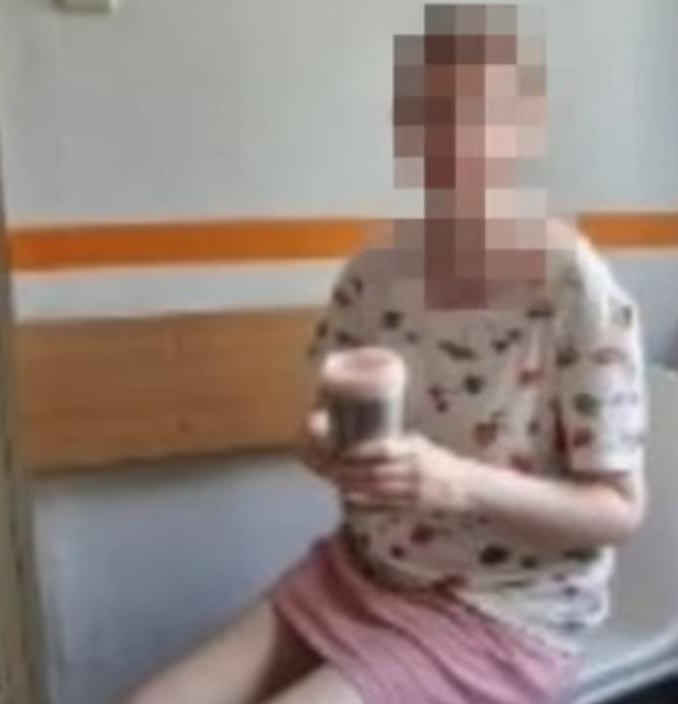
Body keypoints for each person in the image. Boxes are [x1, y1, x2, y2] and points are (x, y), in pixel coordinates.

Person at [125, 4, 648, 703]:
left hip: (507, 612)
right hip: (359, 575)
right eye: (434, 115)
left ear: (524, 127)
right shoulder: (374, 274)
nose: (456, 141)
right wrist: (322, 446)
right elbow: (320, 422)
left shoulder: (572, 285)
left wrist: (459, 483)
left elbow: (618, 511)